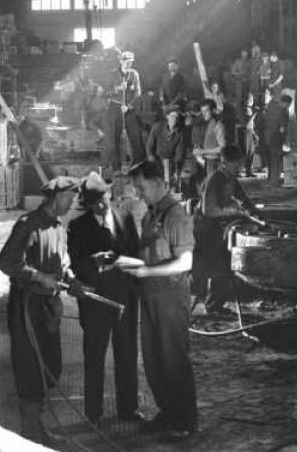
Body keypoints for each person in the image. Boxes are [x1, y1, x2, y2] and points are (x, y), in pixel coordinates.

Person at [0, 176, 83, 444]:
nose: (72, 204)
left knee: (50, 367)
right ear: (56, 198)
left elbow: (63, 260)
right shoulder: (28, 225)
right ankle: (30, 432)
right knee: (29, 369)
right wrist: (38, 277)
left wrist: (70, 277)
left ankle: (37, 427)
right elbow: (6, 262)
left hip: (48, 307)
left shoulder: (58, 226)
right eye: (69, 198)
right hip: (27, 308)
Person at [122, 160, 198, 440]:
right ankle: (168, 412)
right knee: (154, 360)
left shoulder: (176, 215)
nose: (139, 193)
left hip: (170, 298)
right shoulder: (151, 215)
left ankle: (185, 421)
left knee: (175, 360)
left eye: (141, 187)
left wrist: (146, 270)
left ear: (157, 182)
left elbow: (185, 262)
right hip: (150, 295)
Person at [67, 172, 141, 425]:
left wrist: (125, 266)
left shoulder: (126, 218)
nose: (100, 205)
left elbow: (138, 256)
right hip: (95, 301)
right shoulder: (77, 227)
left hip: (124, 299)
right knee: (95, 356)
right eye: (94, 202)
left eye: (103, 199)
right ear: (86, 204)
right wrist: (92, 261)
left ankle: (128, 409)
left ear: (109, 194)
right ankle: (93, 414)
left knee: (127, 353)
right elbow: (75, 264)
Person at [195, 146, 255, 316]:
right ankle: (213, 306)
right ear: (224, 163)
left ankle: (216, 303)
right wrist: (231, 211)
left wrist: (256, 213)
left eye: (241, 165)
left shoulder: (231, 179)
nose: (240, 169)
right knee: (220, 264)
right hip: (204, 229)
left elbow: (244, 200)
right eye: (236, 165)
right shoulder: (215, 180)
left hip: (217, 226)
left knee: (226, 261)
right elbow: (209, 210)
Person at [107, 50, 143, 172]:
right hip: (115, 108)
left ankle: (137, 166)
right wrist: (117, 88)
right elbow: (107, 91)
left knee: (135, 136)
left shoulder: (134, 74)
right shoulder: (113, 73)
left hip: (128, 108)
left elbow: (138, 93)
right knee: (114, 138)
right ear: (121, 61)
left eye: (131, 62)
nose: (129, 64)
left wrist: (128, 106)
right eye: (127, 61)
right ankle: (116, 168)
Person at [146, 105, 188, 185]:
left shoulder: (180, 134)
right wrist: (151, 158)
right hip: (155, 159)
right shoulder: (158, 127)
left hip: (170, 162)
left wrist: (176, 169)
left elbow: (179, 154)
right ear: (167, 116)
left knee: (169, 182)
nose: (175, 119)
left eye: (177, 117)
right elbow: (149, 145)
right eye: (172, 116)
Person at [262, 92, 292, 185]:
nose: (288, 107)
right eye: (288, 105)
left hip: (267, 137)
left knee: (270, 160)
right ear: (286, 103)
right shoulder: (283, 111)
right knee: (276, 161)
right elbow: (282, 128)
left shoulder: (271, 107)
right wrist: (285, 140)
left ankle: (270, 179)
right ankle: (274, 182)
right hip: (277, 139)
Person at [192, 99, 226, 172]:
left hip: (215, 163)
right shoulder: (207, 123)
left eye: (206, 111)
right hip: (207, 162)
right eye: (202, 111)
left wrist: (203, 151)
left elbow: (223, 148)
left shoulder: (219, 125)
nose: (203, 114)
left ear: (213, 111)